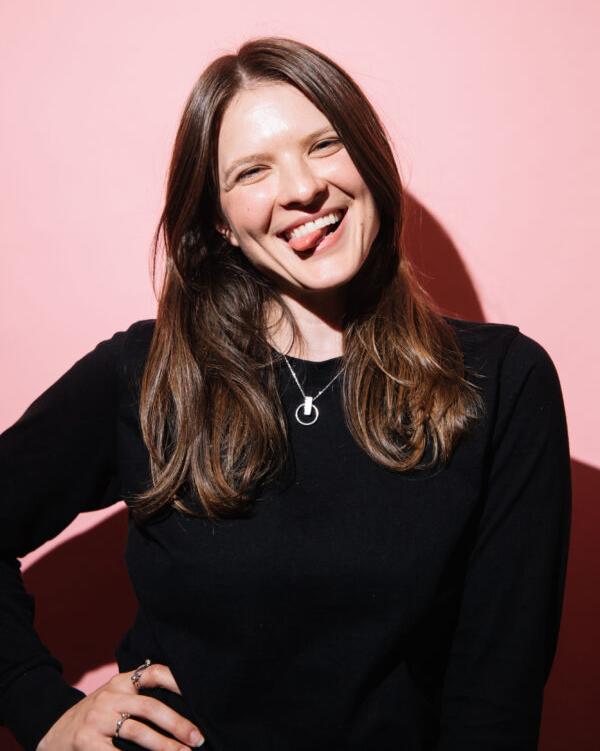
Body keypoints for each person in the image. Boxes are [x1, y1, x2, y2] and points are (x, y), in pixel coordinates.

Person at [0, 37, 570, 751]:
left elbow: (495, 703)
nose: (301, 189)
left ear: (368, 158)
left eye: (324, 145)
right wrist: (40, 708)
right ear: (217, 220)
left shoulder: (502, 383)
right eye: (252, 171)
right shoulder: (146, 371)